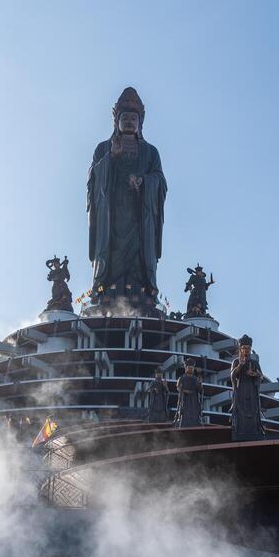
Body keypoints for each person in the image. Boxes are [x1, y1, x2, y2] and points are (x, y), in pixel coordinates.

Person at [87, 88, 167, 308]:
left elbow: (159, 180)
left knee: (140, 255)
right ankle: (105, 291)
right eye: (125, 118)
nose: (130, 122)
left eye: (134, 118)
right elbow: (94, 180)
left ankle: (143, 291)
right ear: (117, 121)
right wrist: (111, 157)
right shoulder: (103, 148)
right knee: (110, 253)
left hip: (140, 216)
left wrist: (144, 181)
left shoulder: (151, 152)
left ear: (140, 122)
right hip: (111, 216)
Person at [230, 335, 264, 441]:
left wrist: (254, 374)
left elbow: (261, 376)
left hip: (252, 391)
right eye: (244, 348)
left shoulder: (254, 363)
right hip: (241, 391)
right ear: (240, 349)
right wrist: (240, 366)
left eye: (248, 349)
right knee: (241, 412)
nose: (246, 351)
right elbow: (232, 376)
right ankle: (240, 431)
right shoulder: (236, 362)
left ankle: (255, 431)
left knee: (253, 411)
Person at [174, 360, 203, 428]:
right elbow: (178, 388)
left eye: (192, 368)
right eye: (189, 367)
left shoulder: (196, 379)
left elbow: (200, 390)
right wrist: (183, 390)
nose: (191, 369)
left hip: (194, 403)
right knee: (184, 420)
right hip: (185, 402)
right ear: (185, 368)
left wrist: (200, 383)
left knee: (195, 420)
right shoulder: (181, 378)